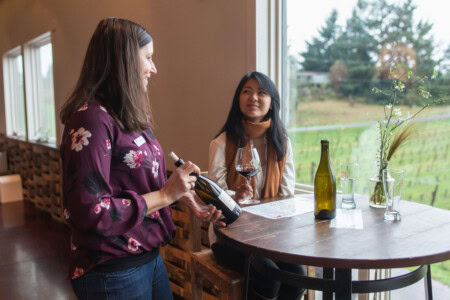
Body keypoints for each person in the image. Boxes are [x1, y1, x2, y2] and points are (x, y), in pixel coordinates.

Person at [59, 18, 221, 300]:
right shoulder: (91, 121)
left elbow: (134, 182)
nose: (154, 68)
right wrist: (166, 194)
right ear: (122, 61)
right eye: (148, 57)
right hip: (111, 268)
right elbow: (90, 211)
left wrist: (182, 195)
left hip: (146, 258)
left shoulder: (126, 116)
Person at [208, 71, 305, 300]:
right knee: (268, 274)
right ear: (238, 99)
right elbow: (215, 194)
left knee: (297, 274)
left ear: (272, 103)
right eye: (247, 91)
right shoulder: (221, 142)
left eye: (261, 92)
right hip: (229, 234)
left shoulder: (282, 142)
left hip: (270, 234)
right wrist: (236, 196)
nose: (253, 97)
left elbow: (286, 194)